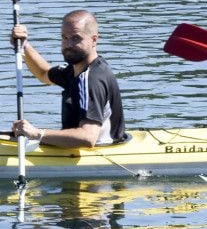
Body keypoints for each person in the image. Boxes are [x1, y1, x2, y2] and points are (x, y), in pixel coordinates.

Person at [10, 9, 126, 148]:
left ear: (94, 39)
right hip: (76, 148)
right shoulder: (74, 69)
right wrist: (24, 45)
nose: (68, 45)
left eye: (76, 38)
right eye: (64, 37)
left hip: (98, 152)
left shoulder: (91, 79)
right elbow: (43, 73)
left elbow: (88, 137)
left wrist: (37, 133)